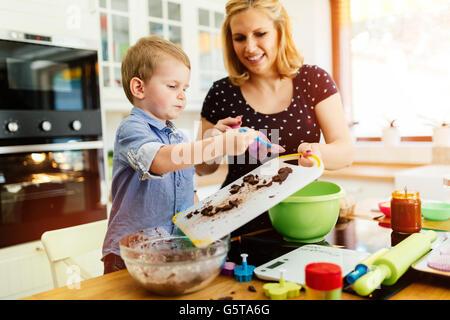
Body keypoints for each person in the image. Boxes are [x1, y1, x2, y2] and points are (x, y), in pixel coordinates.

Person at [195, 0, 354, 260]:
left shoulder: (313, 80)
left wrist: (317, 152)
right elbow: (203, 168)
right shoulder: (221, 93)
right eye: (239, 38)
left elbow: (345, 152)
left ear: (280, 31)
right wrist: (213, 141)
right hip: (238, 226)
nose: (249, 47)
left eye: (260, 34)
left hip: (301, 221)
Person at [102, 36, 258, 274]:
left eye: (184, 88)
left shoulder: (178, 138)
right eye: (172, 86)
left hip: (172, 253)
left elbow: (190, 191)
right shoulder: (131, 129)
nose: (182, 95)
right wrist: (220, 145)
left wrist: (213, 138)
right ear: (139, 88)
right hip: (131, 258)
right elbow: (160, 161)